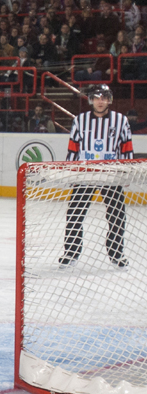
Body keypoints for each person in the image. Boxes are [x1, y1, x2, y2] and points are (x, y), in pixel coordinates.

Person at [61, 85, 133, 267]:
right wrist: (71, 172)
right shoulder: (80, 120)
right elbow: (74, 147)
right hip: (85, 174)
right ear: (91, 99)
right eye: (97, 97)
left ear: (109, 99)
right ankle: (71, 253)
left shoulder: (121, 120)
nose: (101, 101)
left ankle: (116, 254)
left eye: (104, 97)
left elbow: (126, 146)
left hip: (111, 174)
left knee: (117, 216)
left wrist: (126, 173)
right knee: (74, 214)